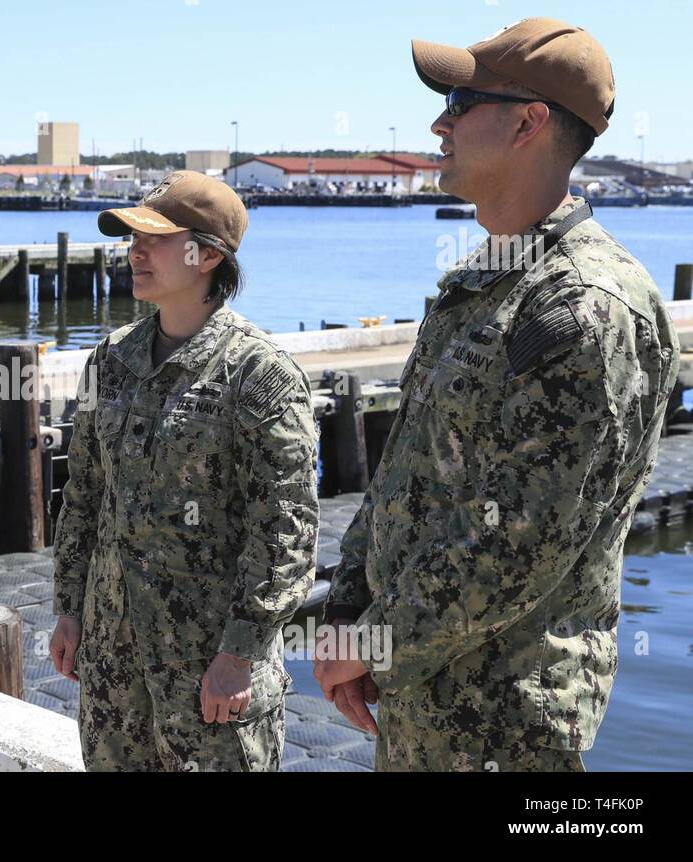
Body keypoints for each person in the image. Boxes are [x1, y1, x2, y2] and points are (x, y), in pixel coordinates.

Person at [314, 18, 681, 772]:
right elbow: (402, 477)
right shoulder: (484, 283)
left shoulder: (584, 304)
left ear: (528, 122)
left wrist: (377, 642)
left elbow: (522, 544)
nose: (437, 123)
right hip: (420, 705)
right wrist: (348, 607)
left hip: (504, 727)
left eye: (459, 100)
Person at [49, 170, 319, 771]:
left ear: (206, 255)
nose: (134, 251)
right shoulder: (111, 361)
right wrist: (68, 607)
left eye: (155, 238)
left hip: (207, 668)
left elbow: (286, 531)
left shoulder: (257, 373)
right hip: (113, 663)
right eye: (131, 237)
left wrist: (240, 654)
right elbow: (85, 497)